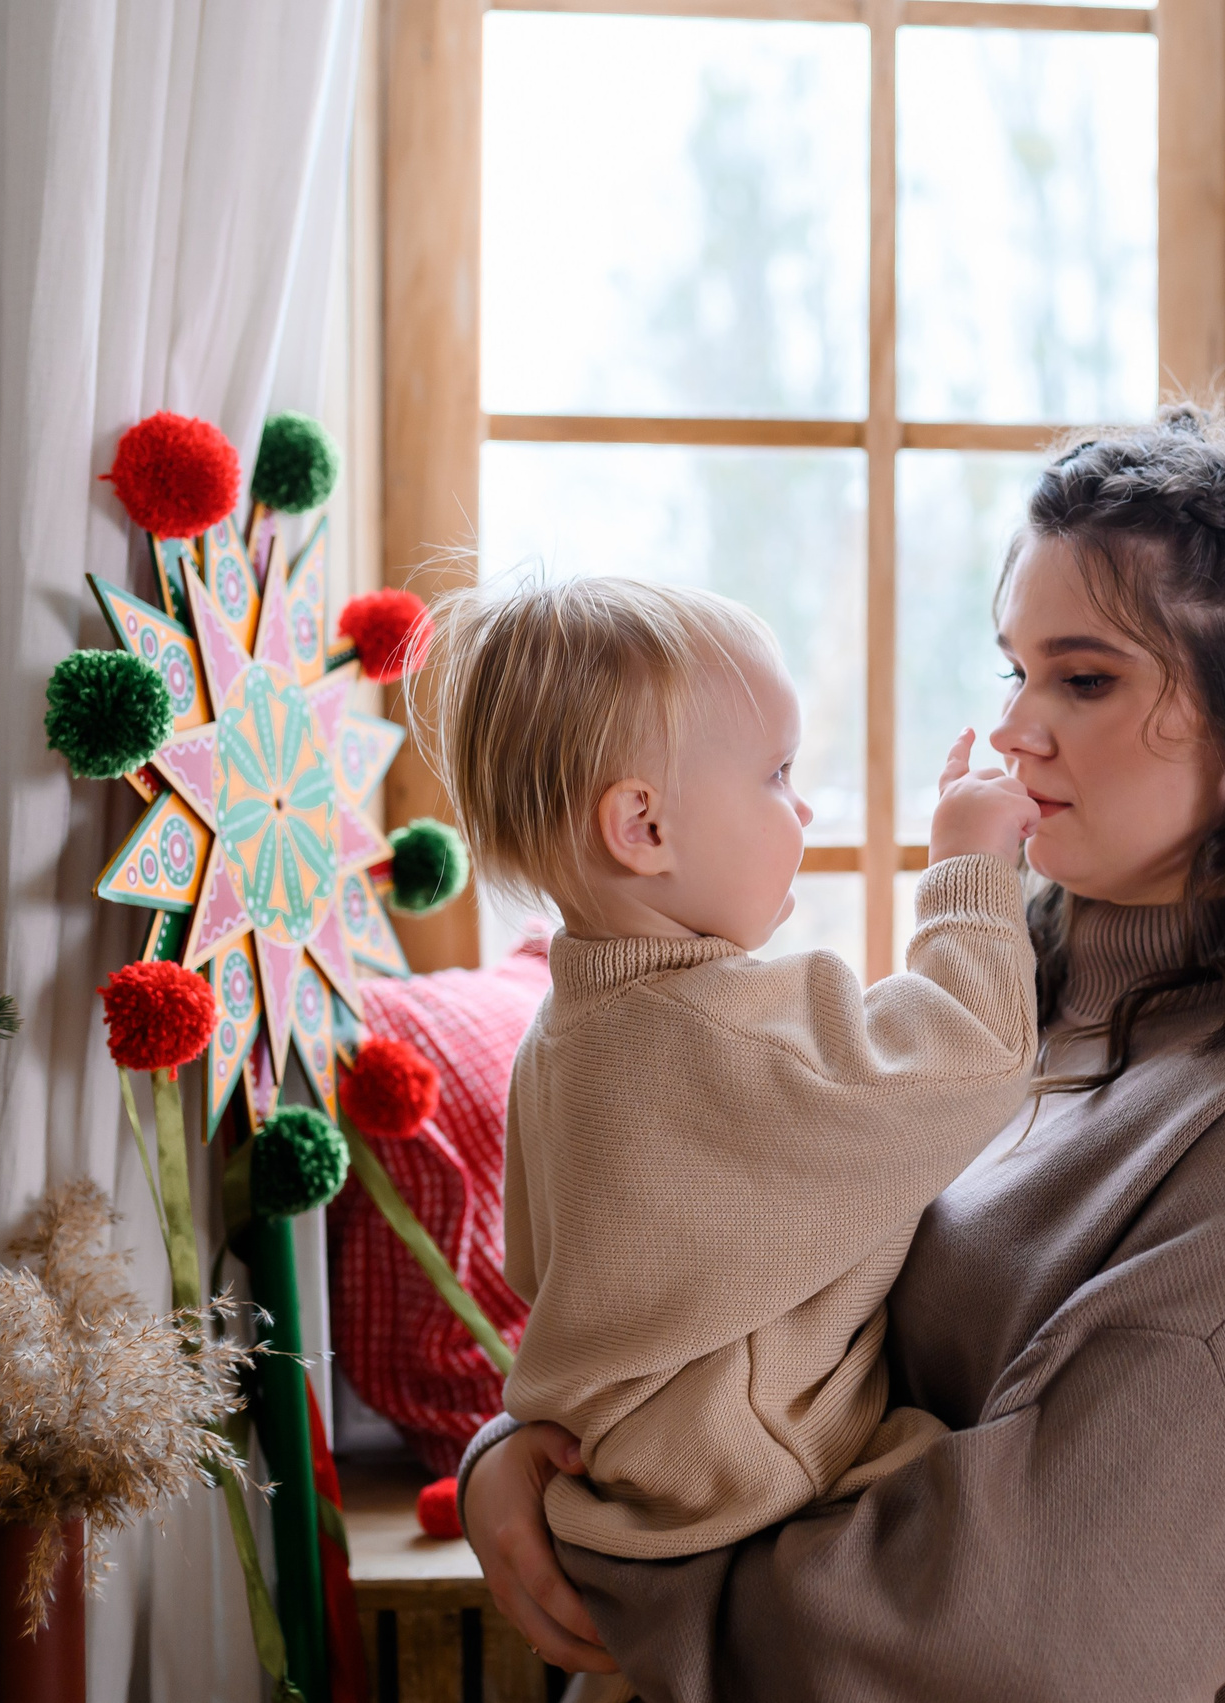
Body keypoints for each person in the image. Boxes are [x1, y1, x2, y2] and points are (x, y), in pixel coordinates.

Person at [458, 406, 1225, 1701]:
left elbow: (1021, 1629)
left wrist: (637, 1578)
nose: (1016, 730)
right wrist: (526, 1451)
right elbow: (721, 1260)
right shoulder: (1030, 981)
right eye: (1015, 671)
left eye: (1084, 677)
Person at [412, 575, 1046, 1584]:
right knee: (1014, 1515)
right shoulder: (714, 1032)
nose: (800, 806)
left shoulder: (564, 1027)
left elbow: (533, 1259)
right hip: (758, 1492)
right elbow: (972, 1055)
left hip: (631, 1485)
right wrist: (968, 867)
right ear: (645, 828)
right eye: (777, 774)